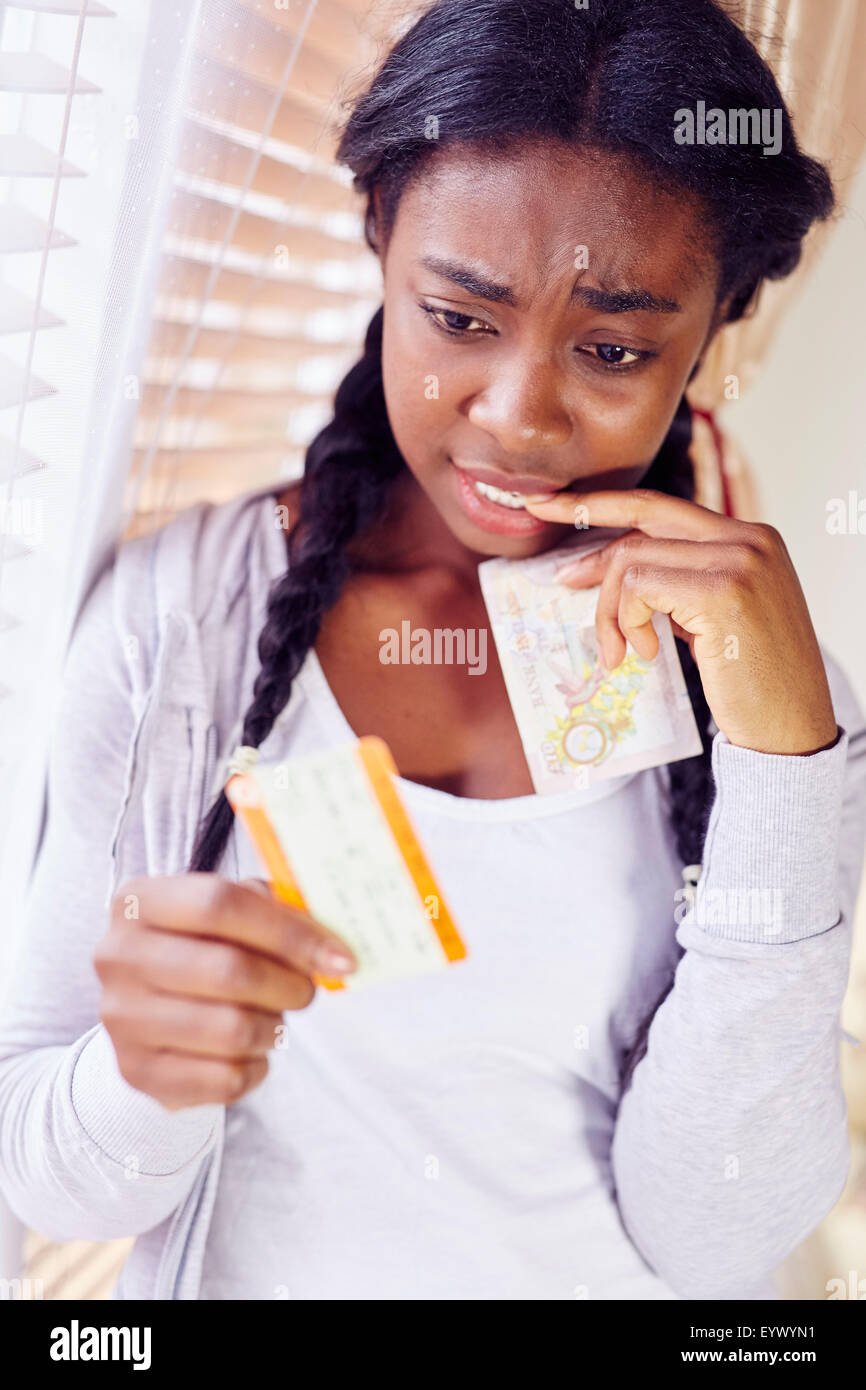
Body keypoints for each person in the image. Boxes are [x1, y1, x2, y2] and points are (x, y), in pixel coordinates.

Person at [1, 0, 865, 1301]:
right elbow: (53, 1184)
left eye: (613, 349)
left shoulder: (758, 697)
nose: (517, 417)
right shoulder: (187, 625)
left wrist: (793, 769)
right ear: (379, 241)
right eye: (458, 318)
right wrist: (143, 1072)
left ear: (712, 326)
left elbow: (718, 1239)